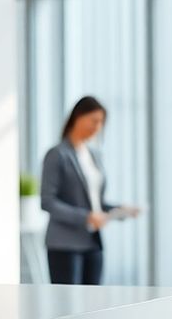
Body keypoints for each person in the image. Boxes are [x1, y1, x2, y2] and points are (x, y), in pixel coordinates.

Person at [39, 96, 137, 285]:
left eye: (101, 122)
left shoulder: (94, 155)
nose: (98, 127)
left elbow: (94, 201)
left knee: (93, 304)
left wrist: (118, 209)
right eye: (94, 121)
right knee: (67, 305)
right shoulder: (57, 154)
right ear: (78, 117)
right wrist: (86, 217)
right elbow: (48, 201)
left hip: (92, 242)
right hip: (65, 244)